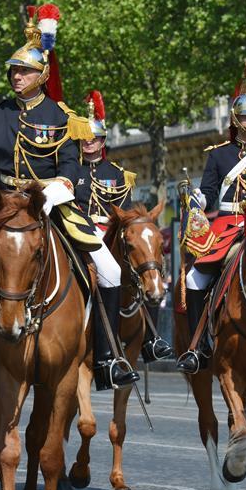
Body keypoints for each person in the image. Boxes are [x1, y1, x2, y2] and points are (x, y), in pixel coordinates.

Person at [0, 4, 141, 397]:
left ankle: (109, 360)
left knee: (110, 269)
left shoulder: (62, 116)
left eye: (24, 71)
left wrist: (60, 187)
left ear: (42, 74)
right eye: (13, 71)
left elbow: (72, 167)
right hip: (5, 206)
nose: (16, 76)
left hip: (50, 204)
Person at [177, 62, 246, 373]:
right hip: (227, 226)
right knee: (193, 278)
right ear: (236, 120)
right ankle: (198, 347)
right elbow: (209, 192)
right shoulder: (219, 154)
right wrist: (194, 199)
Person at [74, 89, 172, 363]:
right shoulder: (72, 171)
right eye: (84, 139)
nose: (89, 143)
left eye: (94, 138)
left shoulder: (116, 174)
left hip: (110, 230)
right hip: (79, 229)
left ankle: (151, 339)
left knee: (143, 270)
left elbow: (126, 210)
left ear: (103, 140)